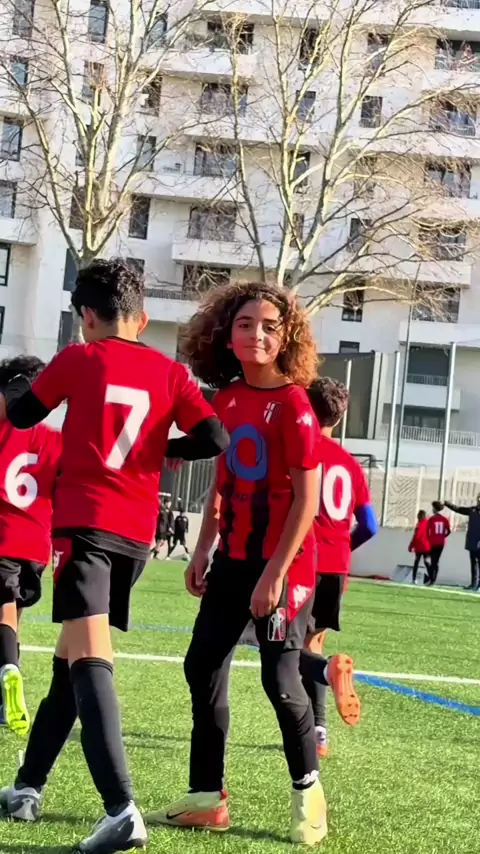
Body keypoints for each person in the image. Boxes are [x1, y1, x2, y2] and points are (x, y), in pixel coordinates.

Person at [0, 259, 229, 854]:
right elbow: (215, 438)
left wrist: (18, 385)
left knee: (88, 659)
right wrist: (164, 445)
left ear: (86, 317)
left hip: (86, 529)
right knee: (68, 662)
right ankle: (27, 786)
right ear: (141, 319)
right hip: (135, 535)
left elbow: (23, 414)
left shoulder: (80, 358)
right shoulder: (170, 373)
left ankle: (120, 808)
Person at [149, 281, 357, 845]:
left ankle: (308, 795)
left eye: (269, 326)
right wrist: (203, 548)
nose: (257, 335)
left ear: (287, 337)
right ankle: (206, 796)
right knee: (202, 666)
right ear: (227, 334)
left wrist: (274, 575)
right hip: (233, 559)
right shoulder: (226, 400)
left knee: (280, 679)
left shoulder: (295, 405)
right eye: (245, 324)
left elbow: (307, 502)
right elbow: (222, 483)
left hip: (285, 566)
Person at [300, 378, 377, 759]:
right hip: (336, 568)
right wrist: (345, 547)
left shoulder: (301, 449)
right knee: (312, 644)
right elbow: (370, 525)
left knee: (279, 648)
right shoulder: (350, 464)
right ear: (340, 417)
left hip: (301, 561)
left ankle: (328, 672)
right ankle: (318, 734)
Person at [0, 356, 61, 735]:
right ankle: (4, 696)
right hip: (36, 543)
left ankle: (9, 668)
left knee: (3, 613)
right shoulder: (55, 439)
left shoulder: (4, 430)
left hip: (3, 536)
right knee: (13, 617)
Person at [444, 494, 480, 590]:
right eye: (478, 498)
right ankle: (473, 584)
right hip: (472, 541)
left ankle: (478, 585)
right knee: (474, 565)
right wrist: (447, 503)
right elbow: (458, 509)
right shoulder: (472, 510)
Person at [426, 501, 451, 585]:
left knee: (431, 561)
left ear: (435, 509)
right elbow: (448, 531)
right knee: (435, 561)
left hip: (433, 542)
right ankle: (432, 579)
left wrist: (428, 539)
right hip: (441, 543)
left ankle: (432, 579)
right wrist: (443, 536)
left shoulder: (431, 519)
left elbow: (427, 531)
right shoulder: (445, 519)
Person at [408, 510, 431, 585]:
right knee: (427, 562)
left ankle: (414, 579)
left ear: (420, 516)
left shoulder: (419, 523)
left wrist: (411, 545)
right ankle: (431, 578)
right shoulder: (428, 523)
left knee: (416, 562)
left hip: (419, 546)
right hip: (427, 546)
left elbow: (416, 535)